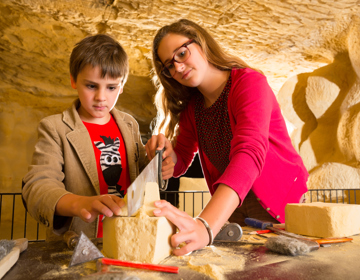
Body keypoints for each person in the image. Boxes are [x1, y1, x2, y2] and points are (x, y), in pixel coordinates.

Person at [145, 19, 309, 256]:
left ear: (201, 42)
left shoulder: (249, 83)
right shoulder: (193, 108)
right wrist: (169, 157)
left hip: (277, 195)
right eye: (169, 66)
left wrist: (205, 225)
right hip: (231, 203)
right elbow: (180, 161)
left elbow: (249, 153)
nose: (178, 68)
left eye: (182, 53)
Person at [22, 34, 174, 241]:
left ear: (121, 87)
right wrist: (78, 203)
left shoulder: (129, 125)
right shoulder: (54, 128)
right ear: (73, 80)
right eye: (91, 86)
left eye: (111, 87)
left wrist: (160, 160)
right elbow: (37, 186)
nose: (101, 97)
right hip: (79, 244)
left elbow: (141, 175)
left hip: (129, 239)